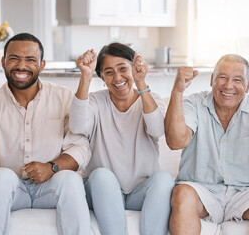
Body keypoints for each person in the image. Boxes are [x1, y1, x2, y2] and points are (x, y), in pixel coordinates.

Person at [0, 33, 91, 235]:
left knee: (71, 180)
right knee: (0, 176)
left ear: (42, 64)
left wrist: (51, 167)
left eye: (30, 60)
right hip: (9, 189)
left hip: (50, 187)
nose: (21, 66)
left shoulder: (63, 97)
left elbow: (81, 148)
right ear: (3, 62)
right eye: (14, 58)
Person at [165, 54, 249, 235]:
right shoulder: (194, 103)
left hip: (245, 192)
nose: (228, 85)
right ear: (212, 79)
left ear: (248, 86)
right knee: (182, 194)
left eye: (237, 80)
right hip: (201, 190)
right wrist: (177, 91)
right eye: (222, 77)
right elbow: (175, 142)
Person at [69, 43, 174, 235]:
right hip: (102, 191)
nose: (117, 78)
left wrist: (141, 84)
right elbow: (76, 126)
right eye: (109, 72)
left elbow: (158, 130)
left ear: (134, 69)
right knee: (102, 176)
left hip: (139, 192)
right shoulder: (94, 101)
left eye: (123, 69)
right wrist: (85, 76)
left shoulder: (152, 99)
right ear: (101, 77)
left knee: (165, 179)